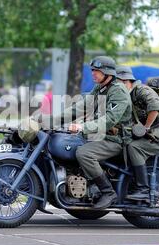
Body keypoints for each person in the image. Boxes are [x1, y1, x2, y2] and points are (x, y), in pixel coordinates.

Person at [54, 56, 132, 209]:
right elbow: (82, 107)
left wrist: (83, 127)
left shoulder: (118, 91)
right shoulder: (100, 88)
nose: (93, 73)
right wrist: (52, 119)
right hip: (100, 135)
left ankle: (108, 192)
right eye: (93, 70)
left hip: (115, 139)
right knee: (69, 144)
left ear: (108, 73)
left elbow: (109, 119)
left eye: (97, 71)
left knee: (84, 153)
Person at [116, 65, 159, 202]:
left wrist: (146, 127)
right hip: (150, 134)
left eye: (116, 83)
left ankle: (143, 189)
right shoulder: (126, 95)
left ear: (125, 81)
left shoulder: (142, 90)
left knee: (134, 147)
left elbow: (154, 107)